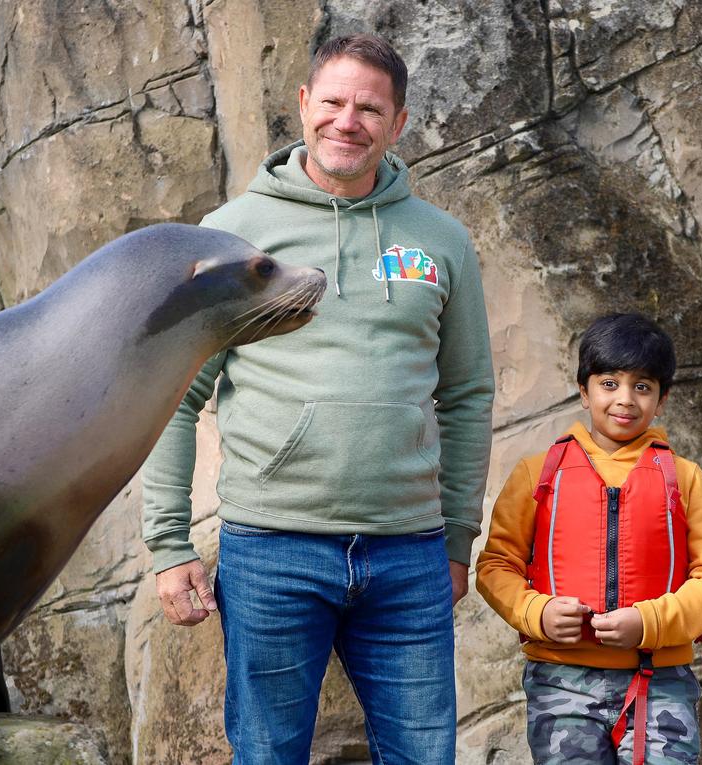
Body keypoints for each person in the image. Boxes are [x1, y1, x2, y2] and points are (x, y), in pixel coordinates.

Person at [141, 33, 494, 764]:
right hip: (272, 550)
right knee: (268, 753)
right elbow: (172, 394)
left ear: (398, 123)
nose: (347, 120)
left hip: (410, 556)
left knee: (427, 755)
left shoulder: (443, 241)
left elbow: (465, 395)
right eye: (332, 101)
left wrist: (457, 535)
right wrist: (169, 545)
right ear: (303, 106)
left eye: (370, 107)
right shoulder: (233, 235)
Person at [475, 313, 702, 764]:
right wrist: (535, 612)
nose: (625, 399)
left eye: (643, 386)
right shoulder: (537, 475)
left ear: (662, 399)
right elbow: (495, 567)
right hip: (561, 684)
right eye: (609, 383)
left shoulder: (686, 478)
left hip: (659, 682)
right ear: (584, 390)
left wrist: (648, 623)